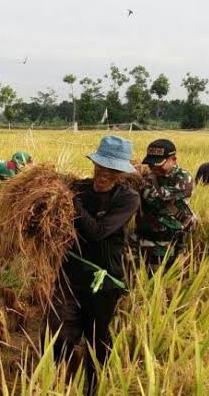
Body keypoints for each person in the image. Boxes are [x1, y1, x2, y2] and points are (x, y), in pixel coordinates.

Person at [46, 135, 140, 391]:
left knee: (96, 336)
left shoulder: (127, 198)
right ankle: (60, 381)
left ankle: (93, 386)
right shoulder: (79, 188)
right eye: (101, 166)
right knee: (57, 329)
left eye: (112, 169)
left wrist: (73, 204)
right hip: (70, 271)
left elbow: (98, 231)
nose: (104, 174)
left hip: (103, 280)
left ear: (121, 172)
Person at [135, 139, 196, 269]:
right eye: (151, 165)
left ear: (173, 160)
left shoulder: (183, 179)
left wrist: (137, 179)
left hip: (166, 243)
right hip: (143, 238)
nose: (154, 168)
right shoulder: (150, 176)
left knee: (160, 281)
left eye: (159, 164)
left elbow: (156, 198)